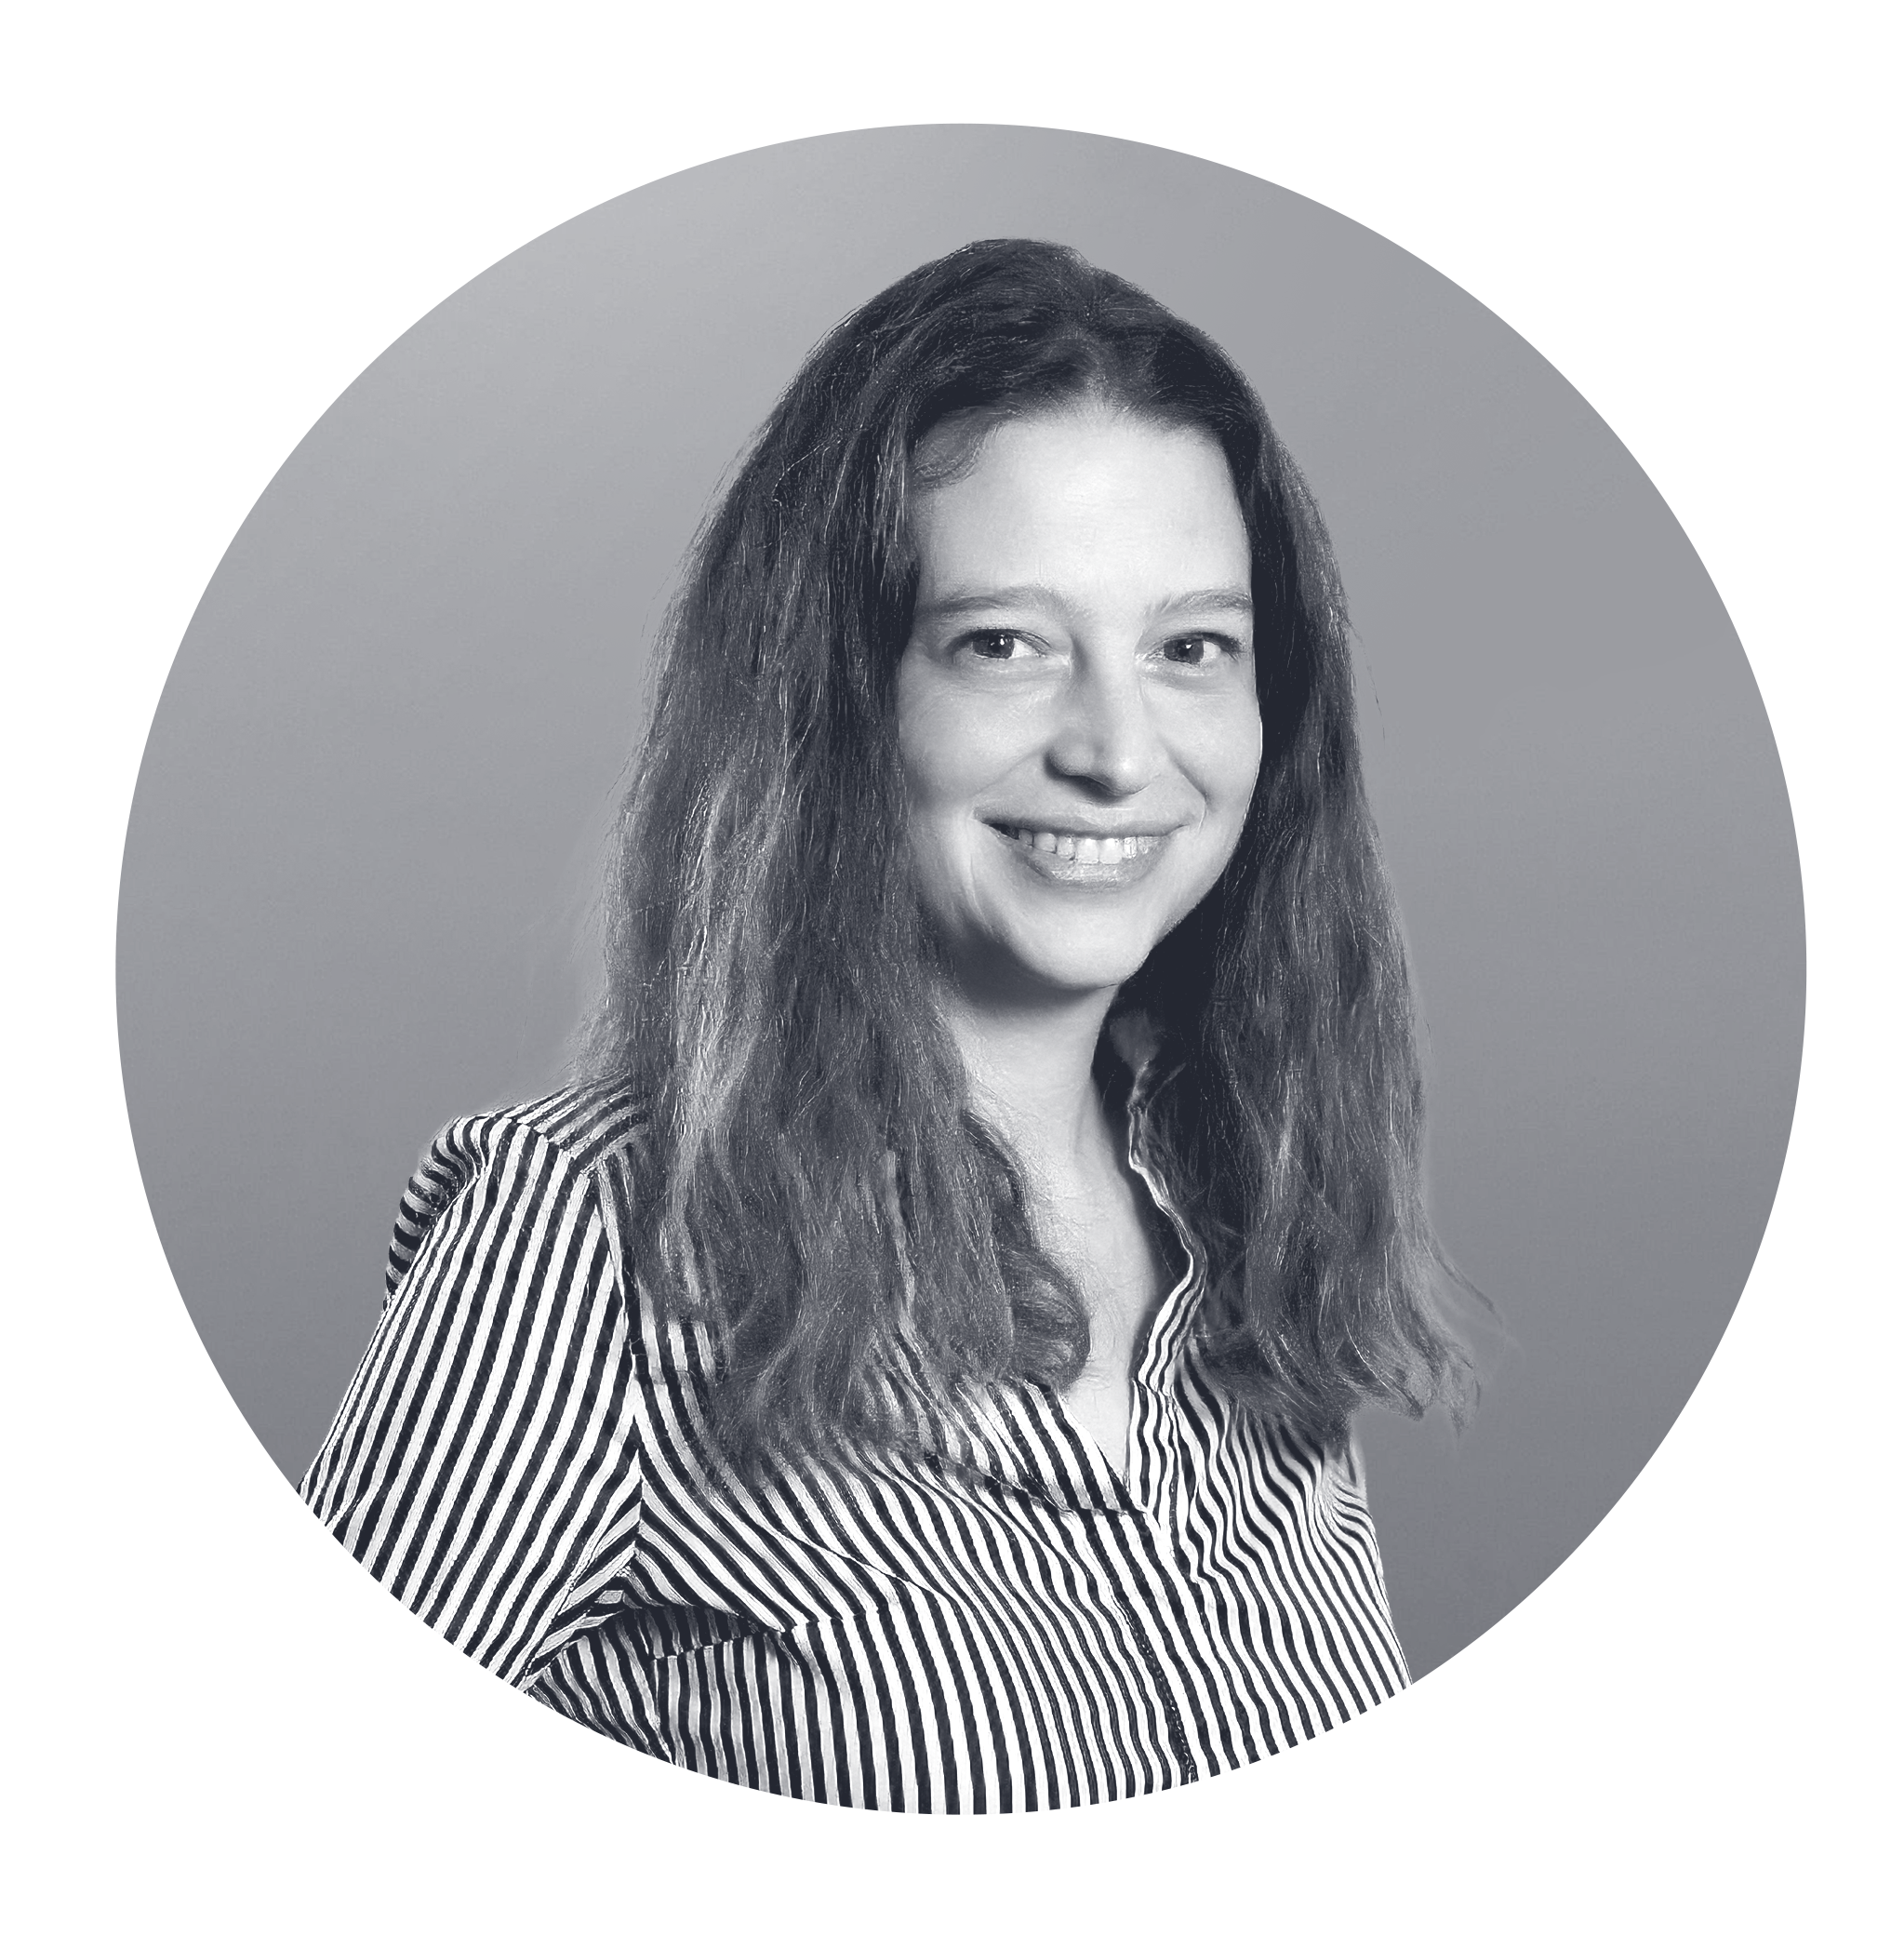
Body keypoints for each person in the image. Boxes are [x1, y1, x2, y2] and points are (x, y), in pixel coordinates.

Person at [296, 238, 1491, 1813]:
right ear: (838, 697)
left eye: (1189, 647)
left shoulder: (1241, 1213)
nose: (1117, 751)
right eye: (1002, 643)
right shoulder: (595, 1235)